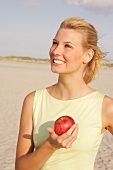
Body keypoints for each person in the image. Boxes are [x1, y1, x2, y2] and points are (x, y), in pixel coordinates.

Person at [15, 17, 113, 170]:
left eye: (67, 46)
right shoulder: (34, 100)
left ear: (87, 55)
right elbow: (21, 167)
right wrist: (50, 145)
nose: (56, 51)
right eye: (55, 43)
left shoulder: (105, 107)